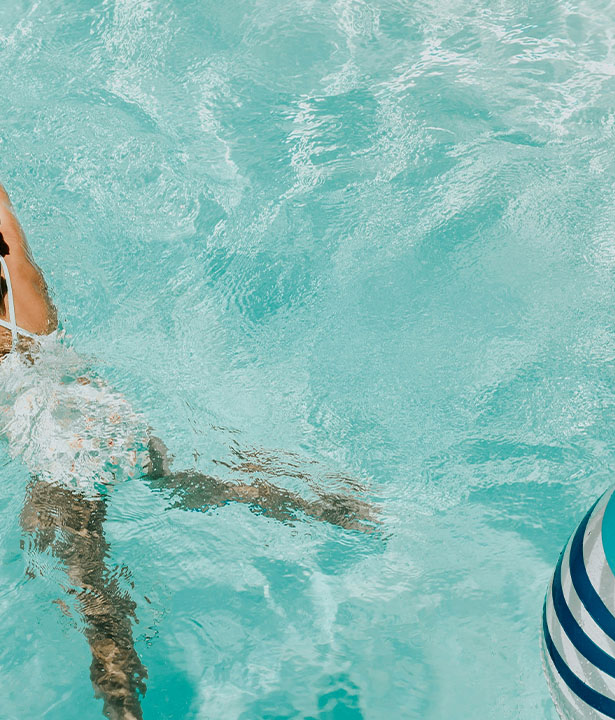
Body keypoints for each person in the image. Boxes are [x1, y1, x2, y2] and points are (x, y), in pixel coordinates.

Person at [0, 184, 376, 720]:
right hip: (115, 422)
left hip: (62, 463)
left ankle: (122, 705)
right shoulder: (26, 297)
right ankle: (334, 506)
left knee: (93, 597)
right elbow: (4, 213)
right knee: (190, 481)